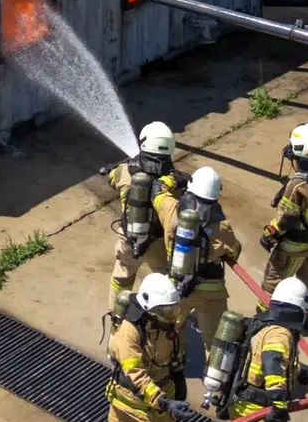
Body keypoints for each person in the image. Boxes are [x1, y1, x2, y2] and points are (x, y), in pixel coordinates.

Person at [259, 123, 308, 332]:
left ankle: (263, 317)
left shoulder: (297, 185)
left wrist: (270, 233)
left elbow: (287, 217)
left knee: (273, 281)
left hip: (293, 244)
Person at [105, 122, 188, 311]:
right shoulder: (173, 181)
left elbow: (112, 179)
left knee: (121, 278)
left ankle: (117, 317)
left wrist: (115, 169)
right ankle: (164, 315)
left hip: (128, 239)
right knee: (167, 286)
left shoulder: (124, 171)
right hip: (158, 244)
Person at [167, 166, 242, 370]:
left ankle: (175, 362)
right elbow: (235, 251)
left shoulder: (176, 216)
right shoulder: (223, 227)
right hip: (213, 291)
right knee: (216, 343)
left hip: (180, 288)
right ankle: (217, 388)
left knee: (169, 329)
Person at [229, 278, 308, 421]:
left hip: (241, 405)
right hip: (257, 411)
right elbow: (273, 364)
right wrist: (279, 407)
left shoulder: (265, 324)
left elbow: (276, 363)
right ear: (301, 309)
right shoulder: (280, 333)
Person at [105, 273, 199, 422]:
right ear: (150, 310)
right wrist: (164, 402)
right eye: (166, 311)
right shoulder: (129, 332)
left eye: (173, 309)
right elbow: (136, 375)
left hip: (160, 407)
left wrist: (179, 385)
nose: (172, 315)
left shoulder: (167, 327)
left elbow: (174, 358)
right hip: (131, 409)